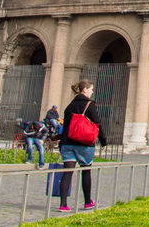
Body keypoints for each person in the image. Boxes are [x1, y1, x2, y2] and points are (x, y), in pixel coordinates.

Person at [58, 80, 107, 212]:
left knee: (67, 173)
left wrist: (61, 144)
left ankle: (63, 204)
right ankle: (87, 202)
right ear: (84, 90)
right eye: (91, 89)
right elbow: (97, 124)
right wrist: (103, 141)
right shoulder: (89, 104)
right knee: (86, 172)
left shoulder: (69, 106)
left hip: (68, 143)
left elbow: (66, 126)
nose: (92, 92)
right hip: (84, 143)